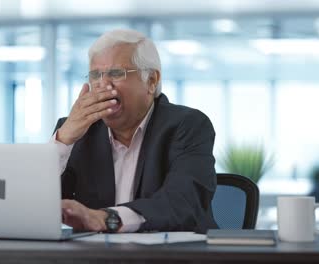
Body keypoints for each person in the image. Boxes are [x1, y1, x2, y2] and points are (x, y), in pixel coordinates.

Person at [53, 29, 218, 233]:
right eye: (95, 75)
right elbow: (38, 204)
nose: (103, 85)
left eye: (116, 73)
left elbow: (181, 202)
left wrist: (106, 219)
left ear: (151, 81)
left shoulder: (188, 125)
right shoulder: (76, 131)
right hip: (96, 256)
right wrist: (63, 141)